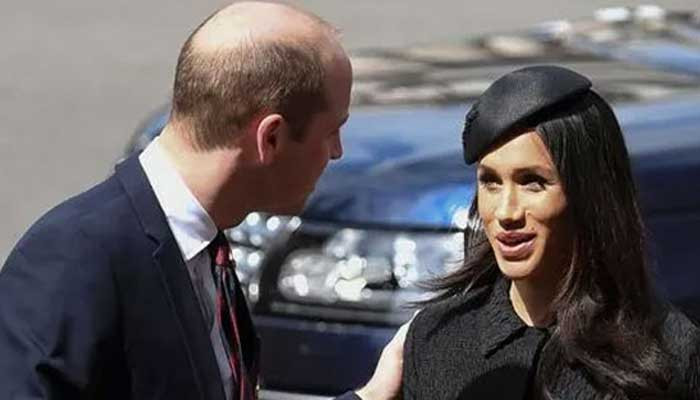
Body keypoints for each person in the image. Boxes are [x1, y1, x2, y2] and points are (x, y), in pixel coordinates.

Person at [0, 2, 407, 399]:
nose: (337, 152)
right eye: (332, 131)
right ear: (270, 138)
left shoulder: (205, 250)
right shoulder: (73, 259)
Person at [402, 65, 700, 399]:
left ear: (590, 194)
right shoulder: (436, 339)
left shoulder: (669, 353)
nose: (506, 212)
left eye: (533, 182)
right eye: (490, 182)